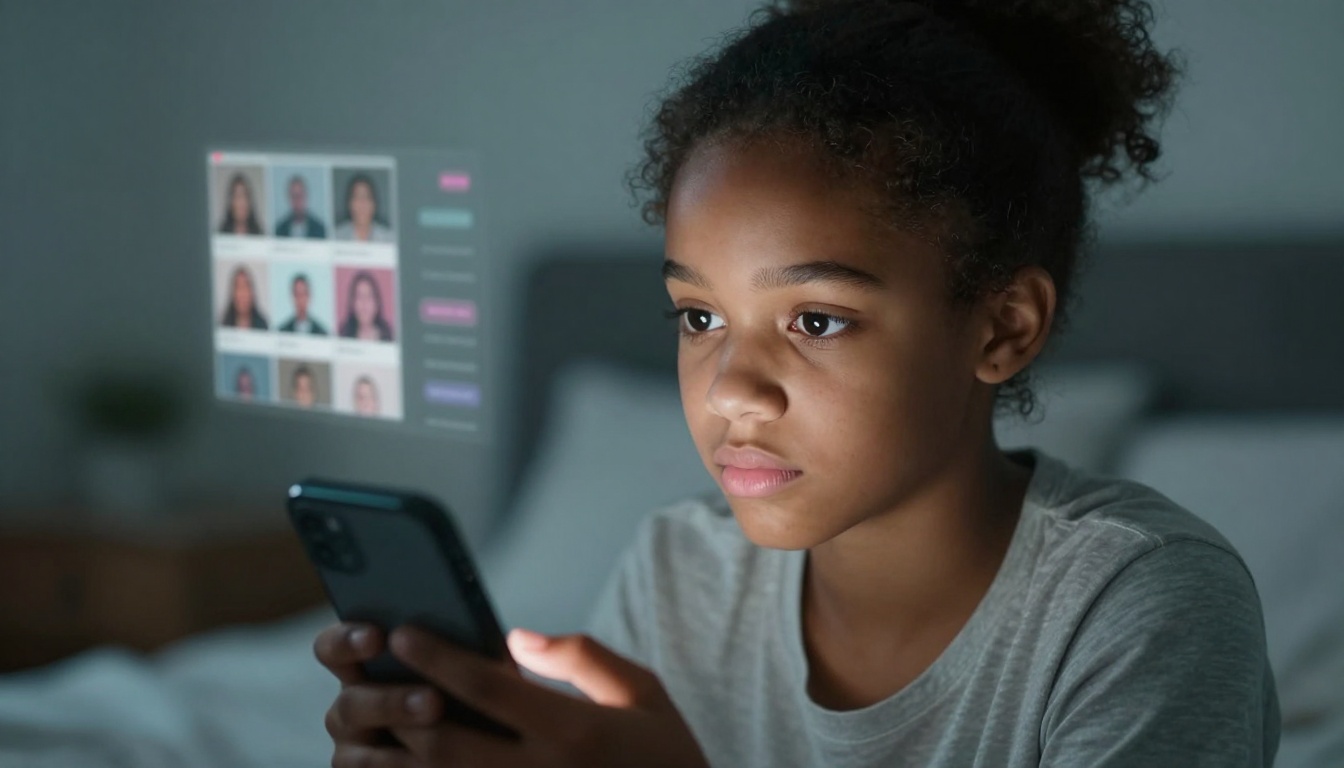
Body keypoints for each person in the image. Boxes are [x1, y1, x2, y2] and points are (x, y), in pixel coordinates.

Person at [315, 1, 1280, 767]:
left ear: (1002, 327)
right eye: (700, 318)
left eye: (815, 321)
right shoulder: (678, 573)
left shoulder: (1138, 605)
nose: (733, 391)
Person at [333, 173, 394, 243]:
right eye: (357, 197)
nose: (362, 204)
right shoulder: (336, 237)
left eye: (367, 197)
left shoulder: (388, 238)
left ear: (374, 204)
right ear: (349, 204)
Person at [338, 271, 395, 341]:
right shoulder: (344, 336)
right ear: (352, 303)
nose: (364, 303)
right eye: (359, 296)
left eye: (369, 296)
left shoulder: (388, 336)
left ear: (377, 303)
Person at [220, 265, 268, 330]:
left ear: (252, 293)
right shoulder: (224, 326)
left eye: (246, 287)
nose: (242, 294)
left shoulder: (262, 325)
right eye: (239, 288)